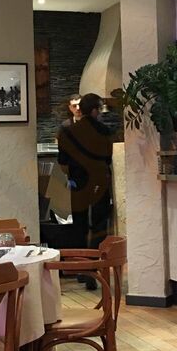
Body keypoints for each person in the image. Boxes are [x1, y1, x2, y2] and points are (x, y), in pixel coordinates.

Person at [56, 92, 113, 289]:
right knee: (99, 226)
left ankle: (81, 268)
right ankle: (95, 269)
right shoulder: (104, 130)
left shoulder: (68, 131)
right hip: (100, 182)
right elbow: (108, 159)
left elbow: (62, 162)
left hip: (78, 182)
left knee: (79, 225)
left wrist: (73, 173)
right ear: (95, 110)